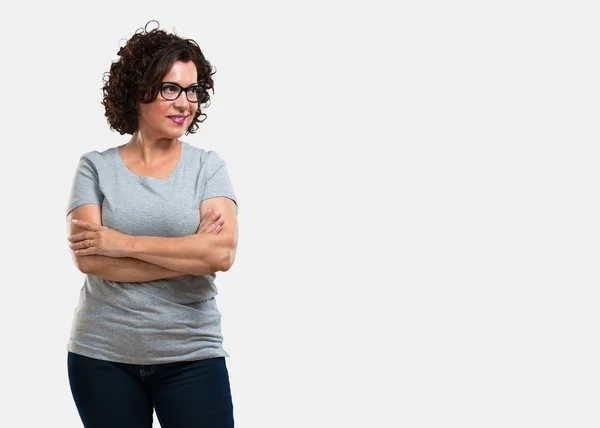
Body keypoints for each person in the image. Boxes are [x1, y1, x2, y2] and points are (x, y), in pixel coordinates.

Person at [65, 21, 238, 428]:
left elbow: (221, 253)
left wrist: (121, 243)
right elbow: (91, 261)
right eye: (171, 89)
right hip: (101, 355)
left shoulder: (207, 168)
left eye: (193, 90)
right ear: (138, 92)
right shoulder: (95, 167)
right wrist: (189, 253)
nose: (185, 103)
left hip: (192, 354)